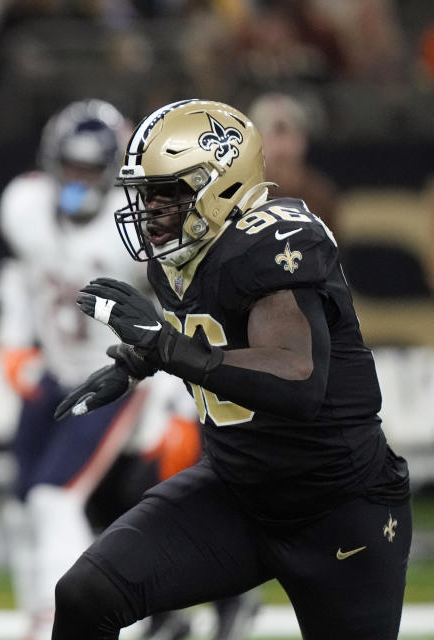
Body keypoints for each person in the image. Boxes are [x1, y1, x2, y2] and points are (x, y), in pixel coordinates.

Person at [52, 99, 412, 640]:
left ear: (220, 185)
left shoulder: (269, 240)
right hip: (237, 492)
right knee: (86, 594)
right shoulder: (178, 255)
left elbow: (296, 377)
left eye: (167, 193)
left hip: (338, 506)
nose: (151, 211)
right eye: (146, 193)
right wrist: (136, 361)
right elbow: (211, 338)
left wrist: (163, 346)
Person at [0, 99, 256, 640]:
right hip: (56, 374)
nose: (77, 181)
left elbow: (183, 315)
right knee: (24, 506)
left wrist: (179, 406)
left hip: (120, 376)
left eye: (90, 169)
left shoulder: (133, 231)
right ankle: (46, 614)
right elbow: (21, 281)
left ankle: (65, 619)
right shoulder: (24, 208)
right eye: (69, 167)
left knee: (64, 498)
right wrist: (15, 343)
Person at [247, 92, 339, 237]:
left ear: (302, 139)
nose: (280, 145)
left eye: (287, 134)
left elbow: (334, 253)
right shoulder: (242, 197)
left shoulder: (320, 195)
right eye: (270, 135)